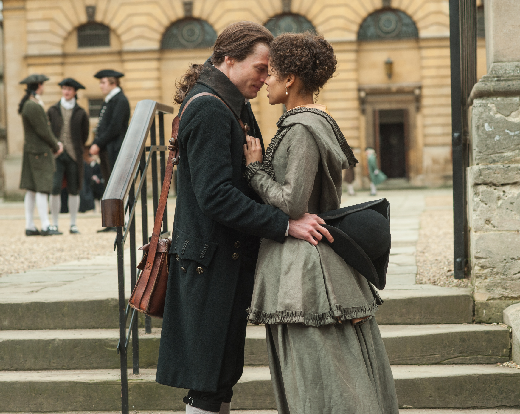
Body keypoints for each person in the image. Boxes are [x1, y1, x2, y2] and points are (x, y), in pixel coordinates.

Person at [155, 21, 333, 414]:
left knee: (220, 376)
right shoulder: (208, 108)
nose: (266, 78)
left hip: (223, 258)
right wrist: (285, 224)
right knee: (207, 379)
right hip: (208, 261)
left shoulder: (233, 103)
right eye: (260, 68)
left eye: (269, 70)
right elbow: (216, 197)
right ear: (229, 59)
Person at [243, 32, 399, 413]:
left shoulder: (301, 129)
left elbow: (293, 202)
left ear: (290, 79)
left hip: (305, 269)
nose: (266, 81)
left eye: (272, 73)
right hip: (312, 259)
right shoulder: (311, 122)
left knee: (319, 376)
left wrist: (254, 170)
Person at [18, 74, 63, 236]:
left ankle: (30, 225)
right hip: (39, 151)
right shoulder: (33, 105)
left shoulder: (30, 104)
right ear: (38, 86)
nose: (43, 87)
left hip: (33, 151)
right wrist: (55, 144)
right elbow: (43, 130)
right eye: (42, 85)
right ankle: (45, 225)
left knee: (31, 189)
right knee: (42, 188)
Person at [89, 69, 130, 232]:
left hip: (115, 148)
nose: (101, 86)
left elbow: (115, 127)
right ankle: (112, 222)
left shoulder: (120, 100)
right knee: (109, 185)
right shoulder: (110, 100)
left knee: (118, 185)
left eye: (103, 82)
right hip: (107, 148)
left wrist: (98, 143)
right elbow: (102, 127)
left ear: (113, 82)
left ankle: (122, 221)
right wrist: (96, 142)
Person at [47, 78, 90, 234]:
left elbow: (84, 135)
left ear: (74, 92)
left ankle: (73, 223)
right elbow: (48, 132)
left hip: (74, 155)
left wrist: (76, 147)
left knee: (74, 188)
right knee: (54, 188)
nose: (66, 92)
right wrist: (54, 145)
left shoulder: (81, 112)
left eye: (69, 89)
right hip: (56, 155)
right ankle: (54, 223)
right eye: (64, 88)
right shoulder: (52, 110)